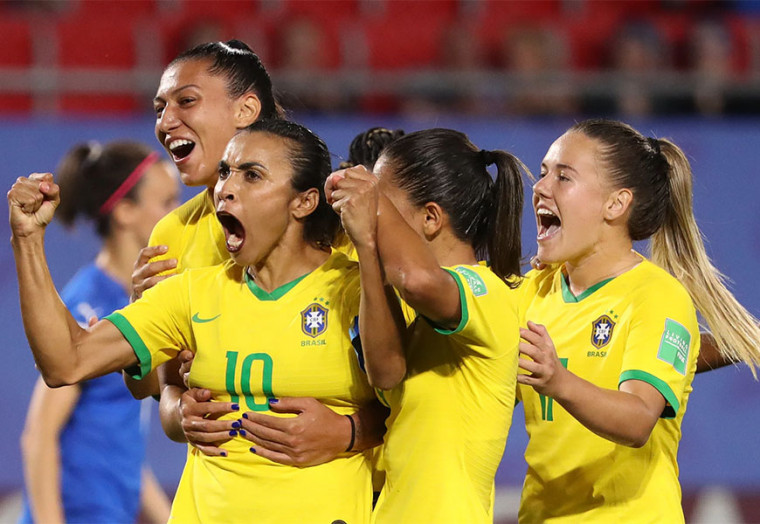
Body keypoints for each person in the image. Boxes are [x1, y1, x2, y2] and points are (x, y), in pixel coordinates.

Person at [9, 119, 400, 523]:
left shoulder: (355, 290)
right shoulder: (192, 293)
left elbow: (415, 403)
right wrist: (28, 240)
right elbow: (66, 361)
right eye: (227, 172)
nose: (225, 188)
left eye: (252, 175)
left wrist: (351, 431)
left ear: (304, 201)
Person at [516, 119, 760, 523]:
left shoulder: (657, 296)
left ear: (615, 204)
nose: (541, 188)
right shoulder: (534, 291)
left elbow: (636, 419)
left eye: (564, 177)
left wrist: (557, 381)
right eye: (543, 174)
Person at [326, 128, 526, 523]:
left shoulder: (485, 291)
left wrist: (374, 203)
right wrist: (367, 247)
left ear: (431, 218)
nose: (371, 211)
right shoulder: (408, 307)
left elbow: (417, 279)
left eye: (383, 203)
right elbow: (385, 372)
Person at [17, 140, 178, 524]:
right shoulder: (85, 304)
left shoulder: (137, 306)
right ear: (125, 211)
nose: (178, 214)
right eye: (166, 202)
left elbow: (125, 454)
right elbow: (38, 437)